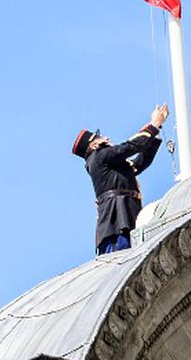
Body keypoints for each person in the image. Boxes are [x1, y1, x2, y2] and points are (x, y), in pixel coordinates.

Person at [72, 104, 168, 254]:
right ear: (93, 145)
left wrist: (154, 132)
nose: (106, 138)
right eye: (99, 137)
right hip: (117, 220)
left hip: (124, 216)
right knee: (121, 257)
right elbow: (130, 147)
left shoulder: (103, 161)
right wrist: (153, 125)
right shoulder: (100, 156)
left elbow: (138, 164)